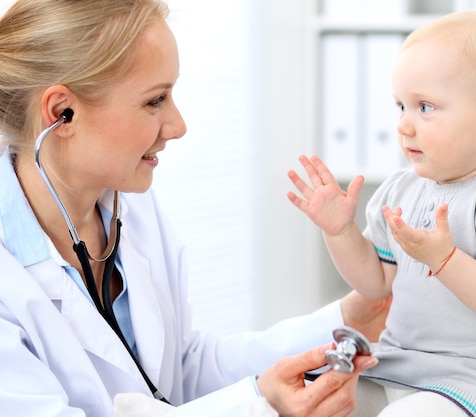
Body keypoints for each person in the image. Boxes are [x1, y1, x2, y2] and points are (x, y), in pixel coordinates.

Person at [0, 0, 391, 416]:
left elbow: (179, 372)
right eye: (155, 101)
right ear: (63, 113)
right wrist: (260, 407)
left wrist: (353, 317)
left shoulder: (129, 206)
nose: (178, 125)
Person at [287, 10, 476, 417]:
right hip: (401, 369)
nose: (404, 125)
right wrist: (340, 231)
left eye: (425, 107)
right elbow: (377, 282)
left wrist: (445, 260)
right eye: (401, 106)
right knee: (319, 403)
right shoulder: (403, 188)